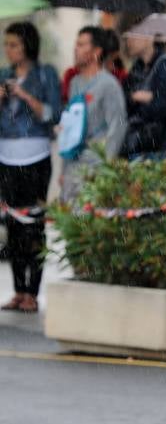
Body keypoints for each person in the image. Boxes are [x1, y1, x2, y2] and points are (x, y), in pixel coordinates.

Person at [0, 21, 61, 312]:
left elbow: (52, 113)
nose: (8, 50)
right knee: (12, 223)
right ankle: (18, 289)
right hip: (6, 156)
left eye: (14, 44)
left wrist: (25, 96)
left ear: (27, 46)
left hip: (35, 155)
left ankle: (33, 291)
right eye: (6, 45)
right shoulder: (3, 75)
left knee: (33, 224)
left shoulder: (45, 74)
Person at [59, 26, 127, 202]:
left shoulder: (108, 85)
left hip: (95, 167)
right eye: (76, 44)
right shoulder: (74, 83)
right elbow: (71, 128)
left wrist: (106, 167)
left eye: (81, 45)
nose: (76, 49)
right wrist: (63, 170)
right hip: (73, 167)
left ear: (96, 51)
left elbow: (118, 126)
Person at [120, 32, 166, 160]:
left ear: (149, 38)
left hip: (164, 148)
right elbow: (124, 102)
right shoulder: (136, 68)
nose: (129, 41)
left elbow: (160, 108)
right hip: (138, 146)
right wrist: (138, 97)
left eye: (134, 35)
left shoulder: (165, 66)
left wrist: (144, 99)